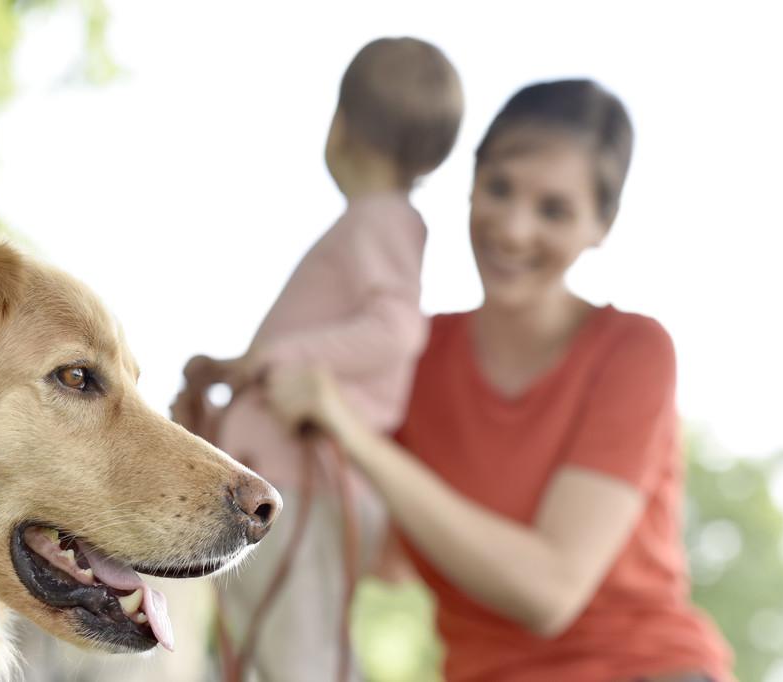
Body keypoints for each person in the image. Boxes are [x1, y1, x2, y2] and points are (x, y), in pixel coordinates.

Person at [266, 80, 733, 682]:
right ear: (472, 182)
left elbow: (550, 594)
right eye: (500, 188)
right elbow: (389, 561)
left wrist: (354, 435)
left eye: (554, 209)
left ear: (602, 224)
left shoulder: (633, 352)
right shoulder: (416, 353)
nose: (513, 229)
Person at [172, 37, 463, 681]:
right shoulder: (373, 223)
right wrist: (237, 375)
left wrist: (273, 361)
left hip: (307, 487)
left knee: (299, 656)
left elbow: (396, 329)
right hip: (284, 481)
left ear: (341, 126)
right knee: (265, 652)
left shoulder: (383, 221)